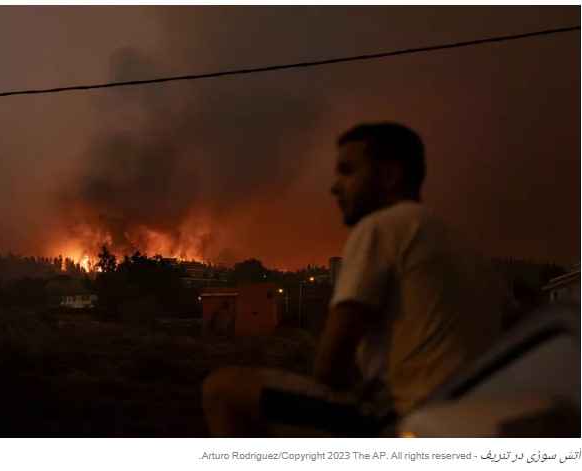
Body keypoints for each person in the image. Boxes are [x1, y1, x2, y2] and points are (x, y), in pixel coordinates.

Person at [202, 122, 516, 437]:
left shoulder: (383, 227)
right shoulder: (466, 244)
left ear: (390, 176)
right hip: (468, 420)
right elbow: (515, 326)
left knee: (223, 390)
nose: (335, 186)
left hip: (404, 420)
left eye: (348, 171)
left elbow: (329, 364)